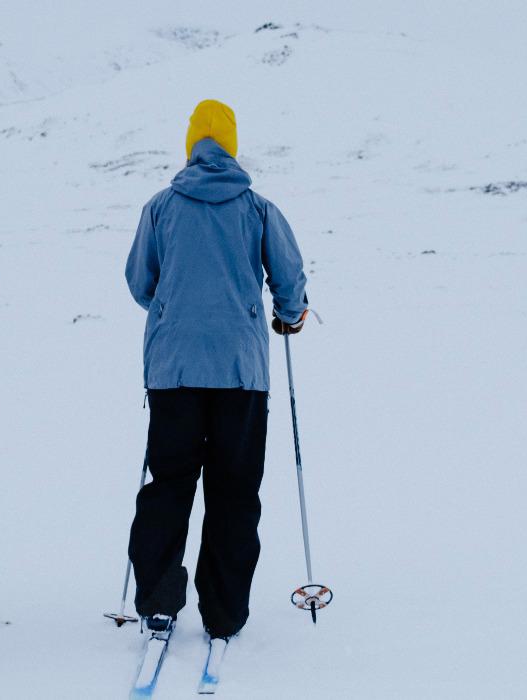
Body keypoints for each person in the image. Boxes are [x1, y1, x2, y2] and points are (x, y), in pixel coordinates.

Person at [124, 99, 308, 642]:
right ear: (230, 146)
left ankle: (158, 599)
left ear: (190, 147)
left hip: (173, 371)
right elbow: (290, 279)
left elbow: (140, 282)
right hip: (241, 375)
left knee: (169, 484)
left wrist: (176, 308)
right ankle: (224, 613)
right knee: (233, 490)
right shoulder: (257, 208)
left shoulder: (160, 206)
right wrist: (289, 315)